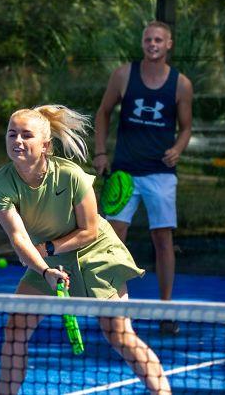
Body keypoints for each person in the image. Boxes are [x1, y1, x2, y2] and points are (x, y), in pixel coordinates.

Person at [0, 105, 171, 395]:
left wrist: (47, 249)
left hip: (95, 254)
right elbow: (19, 239)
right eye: (12, 134)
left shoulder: (71, 175)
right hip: (48, 261)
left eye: (26, 135)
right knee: (15, 329)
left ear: (45, 145)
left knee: (119, 334)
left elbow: (89, 231)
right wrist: (45, 271)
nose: (18, 141)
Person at [93, 21, 193, 335]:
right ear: (142, 43)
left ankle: (166, 310)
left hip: (161, 175)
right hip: (124, 173)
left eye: (158, 40)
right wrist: (100, 153)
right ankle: (113, 307)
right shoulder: (123, 75)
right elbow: (103, 112)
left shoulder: (181, 84)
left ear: (169, 44)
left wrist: (178, 148)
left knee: (162, 239)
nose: (153, 44)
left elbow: (186, 127)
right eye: (148, 39)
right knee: (113, 239)